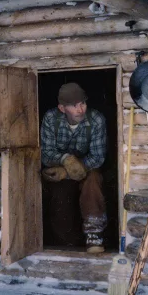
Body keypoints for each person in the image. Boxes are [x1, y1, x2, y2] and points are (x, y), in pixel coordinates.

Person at [40, 82, 107, 253]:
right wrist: (65, 159)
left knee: (92, 184)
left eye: (83, 103)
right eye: (74, 105)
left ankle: (94, 236)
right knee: (59, 195)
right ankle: (66, 243)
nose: (81, 109)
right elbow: (46, 153)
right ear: (62, 108)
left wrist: (70, 171)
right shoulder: (50, 119)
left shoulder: (96, 120)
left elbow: (98, 157)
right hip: (60, 169)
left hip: (88, 166)